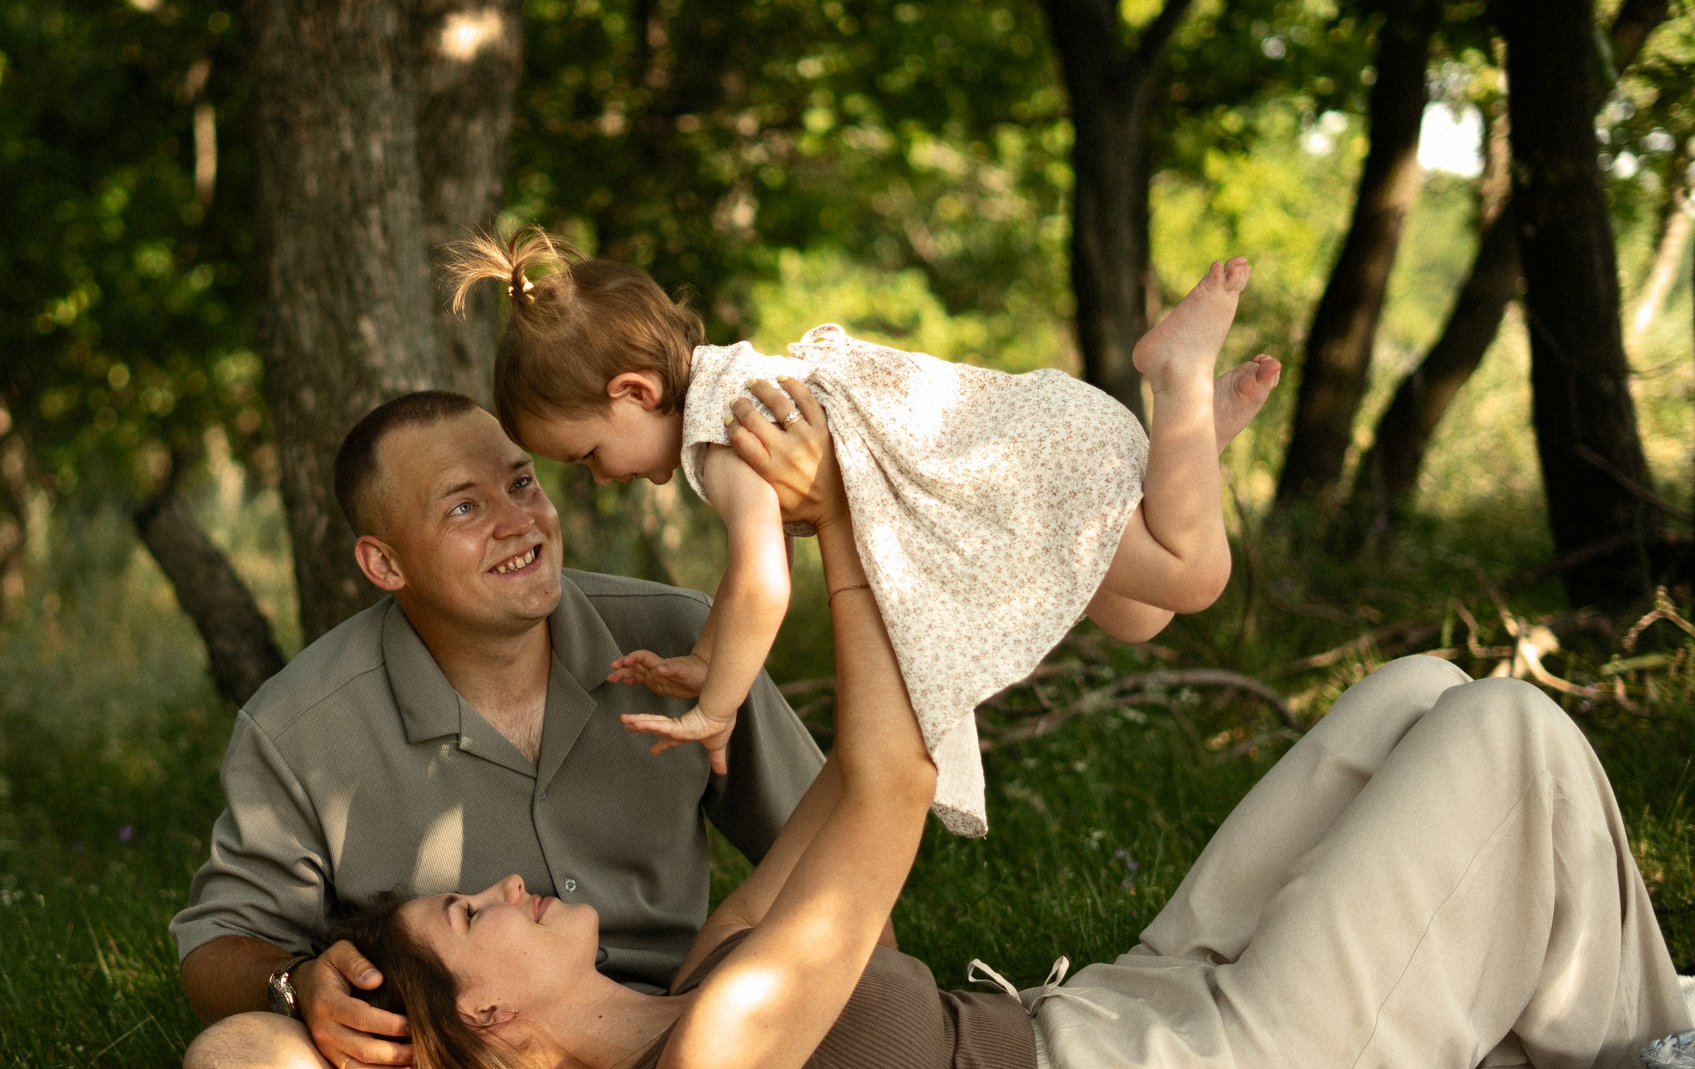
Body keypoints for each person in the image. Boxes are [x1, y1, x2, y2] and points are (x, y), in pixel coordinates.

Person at [139, 398, 1695, 1069]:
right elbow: (892, 791)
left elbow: (837, 797)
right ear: (490, 1007)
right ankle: (1667, 1068)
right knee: (1507, 728)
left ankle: (1573, 1027)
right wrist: (846, 532)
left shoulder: (698, 993)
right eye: (474, 906)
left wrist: (833, 531)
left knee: (1415, 691)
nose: (504, 883)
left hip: (1126, 1013)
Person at [101, 390, 827, 1069]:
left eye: (522, 483)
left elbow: (829, 850)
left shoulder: (684, 638)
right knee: (239, 1054)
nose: (519, 519)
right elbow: (218, 945)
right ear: (383, 564)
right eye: (463, 507)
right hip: (420, 1055)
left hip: (645, 1055)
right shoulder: (301, 724)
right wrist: (293, 986)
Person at [441, 228, 1282, 837]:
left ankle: (1178, 385)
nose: (599, 477)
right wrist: (708, 655)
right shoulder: (739, 381)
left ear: (632, 392)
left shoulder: (726, 430)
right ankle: (1192, 457)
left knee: (1194, 576)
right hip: (1014, 457)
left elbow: (761, 581)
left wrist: (716, 706)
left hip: (1017, 466)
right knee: (1139, 613)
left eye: (588, 453)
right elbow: (745, 586)